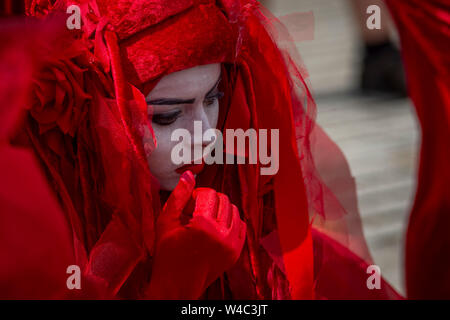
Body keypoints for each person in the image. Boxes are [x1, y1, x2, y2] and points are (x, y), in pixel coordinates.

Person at [1, 0, 400, 299]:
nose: (206, 136)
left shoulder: (247, 214)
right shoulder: (35, 239)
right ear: (91, 118)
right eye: (167, 115)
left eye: (213, 98)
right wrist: (175, 285)